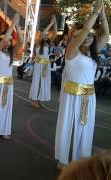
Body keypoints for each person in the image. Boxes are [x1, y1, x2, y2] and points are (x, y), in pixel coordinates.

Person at [55, 0, 109, 170]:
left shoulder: (93, 54)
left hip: (89, 96)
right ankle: (62, 160)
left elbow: (106, 34)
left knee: (85, 128)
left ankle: (80, 159)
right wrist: (93, 13)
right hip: (72, 95)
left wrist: (102, 15)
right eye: (85, 36)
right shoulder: (72, 50)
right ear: (77, 37)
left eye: (92, 37)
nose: (88, 38)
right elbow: (85, 30)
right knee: (66, 126)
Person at [29, 15, 57, 108]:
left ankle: (40, 100)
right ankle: (33, 100)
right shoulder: (37, 44)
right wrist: (51, 24)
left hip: (46, 66)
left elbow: (55, 33)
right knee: (37, 81)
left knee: (44, 82)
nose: (45, 36)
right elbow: (42, 34)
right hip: (38, 65)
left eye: (46, 35)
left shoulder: (48, 45)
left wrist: (55, 22)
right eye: (44, 35)